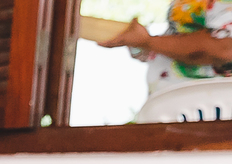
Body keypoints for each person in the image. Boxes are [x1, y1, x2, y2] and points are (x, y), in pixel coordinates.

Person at [99, 3, 232, 95]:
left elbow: (223, 49)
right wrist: (140, 44)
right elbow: (169, 44)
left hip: (204, 109)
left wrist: (148, 42)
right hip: (168, 109)